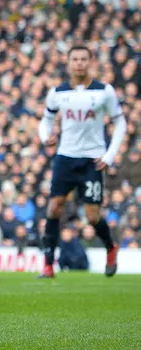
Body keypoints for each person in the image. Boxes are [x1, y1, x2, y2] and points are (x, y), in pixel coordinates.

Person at [37, 45, 126, 279]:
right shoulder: (58, 92)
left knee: (93, 216)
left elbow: (121, 123)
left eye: (83, 59)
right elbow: (45, 121)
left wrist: (109, 155)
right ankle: (48, 264)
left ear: (90, 62)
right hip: (65, 156)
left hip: (92, 159)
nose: (79, 63)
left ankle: (110, 247)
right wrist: (46, 137)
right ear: (68, 62)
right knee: (54, 206)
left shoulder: (104, 91)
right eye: (74, 59)